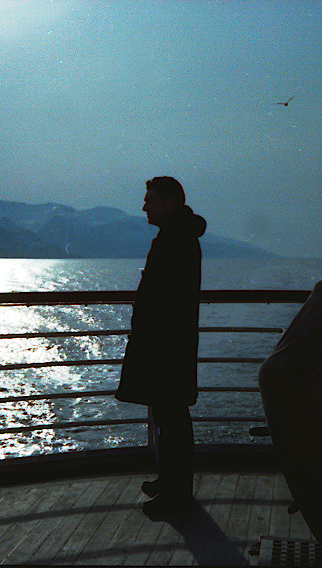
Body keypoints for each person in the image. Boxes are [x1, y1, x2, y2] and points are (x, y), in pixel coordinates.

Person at [116, 176, 206, 518]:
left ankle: (177, 495)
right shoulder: (177, 235)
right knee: (170, 418)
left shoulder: (176, 238)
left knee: (173, 420)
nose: (144, 206)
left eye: (150, 199)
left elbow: (166, 295)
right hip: (170, 344)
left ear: (170, 203)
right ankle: (170, 482)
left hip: (167, 345)